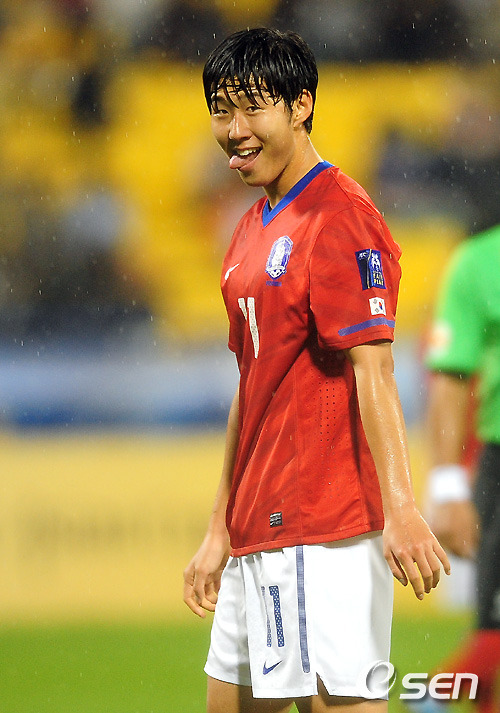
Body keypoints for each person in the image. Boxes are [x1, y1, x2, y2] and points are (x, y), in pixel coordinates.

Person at [183, 28, 450, 713]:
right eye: (221, 111)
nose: (234, 130)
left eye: (252, 108)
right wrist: (221, 525)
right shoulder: (249, 228)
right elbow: (254, 383)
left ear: (301, 105)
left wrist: (402, 508)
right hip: (258, 526)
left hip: (321, 529)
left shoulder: (340, 218)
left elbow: (375, 370)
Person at [424, 224, 500, 713]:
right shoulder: (479, 263)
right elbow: (450, 377)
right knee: (494, 628)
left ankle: (433, 695)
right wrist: (449, 487)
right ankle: (434, 694)